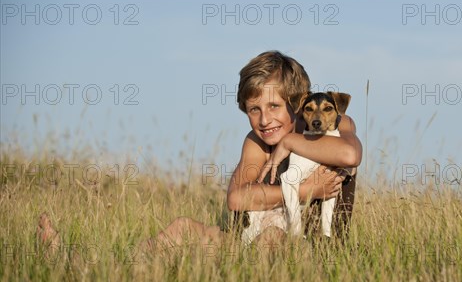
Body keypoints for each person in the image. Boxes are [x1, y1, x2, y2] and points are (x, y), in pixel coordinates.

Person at [37, 51, 362, 256]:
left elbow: (349, 155)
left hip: (314, 249)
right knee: (181, 229)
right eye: (254, 109)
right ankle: (82, 261)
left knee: (273, 237)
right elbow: (237, 199)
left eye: (275, 106)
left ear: (297, 103)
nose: (264, 119)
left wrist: (291, 144)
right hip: (244, 243)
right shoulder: (257, 143)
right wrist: (305, 190)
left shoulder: (333, 124)